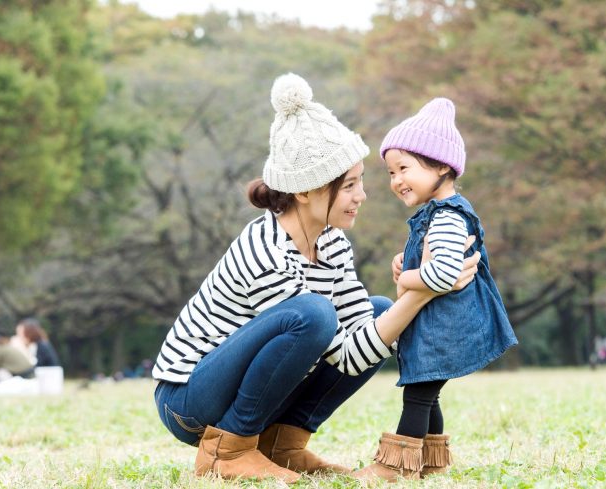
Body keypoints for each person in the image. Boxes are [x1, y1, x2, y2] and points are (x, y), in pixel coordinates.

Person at [152, 74, 481, 484]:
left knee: (378, 311)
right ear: (305, 191)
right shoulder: (267, 252)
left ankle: (283, 445)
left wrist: (412, 291)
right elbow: (335, 344)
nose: (361, 196)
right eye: (349, 186)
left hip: (241, 392)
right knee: (314, 313)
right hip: (188, 400)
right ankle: (229, 451)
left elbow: (353, 350)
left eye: (360, 182)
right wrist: (423, 290)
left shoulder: (333, 243)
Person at [354, 98, 519, 481]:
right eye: (391, 172)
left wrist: (406, 279)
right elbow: (436, 262)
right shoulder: (440, 213)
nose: (396, 180)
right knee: (427, 394)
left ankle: (395, 467)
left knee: (418, 394)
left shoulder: (447, 217)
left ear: (442, 166)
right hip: (437, 326)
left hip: (441, 329)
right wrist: (406, 261)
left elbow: (443, 275)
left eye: (404, 168)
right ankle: (432, 461)